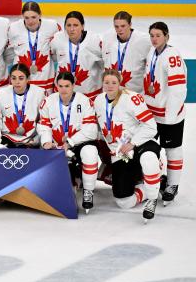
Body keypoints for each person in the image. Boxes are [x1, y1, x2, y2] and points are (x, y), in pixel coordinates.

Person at [94, 69, 161, 223]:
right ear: (102, 83)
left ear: (120, 84)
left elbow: (151, 127)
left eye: (114, 82)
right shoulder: (98, 101)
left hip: (141, 144)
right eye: (106, 82)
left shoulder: (132, 98)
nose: (110, 86)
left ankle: (152, 198)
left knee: (149, 158)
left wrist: (133, 143)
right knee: (123, 202)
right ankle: (152, 186)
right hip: (121, 153)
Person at [38, 72, 99, 212]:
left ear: (73, 85)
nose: (64, 89)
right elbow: (44, 125)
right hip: (56, 144)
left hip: (78, 143)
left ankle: (88, 192)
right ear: (56, 86)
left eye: (67, 86)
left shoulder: (84, 101)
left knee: (90, 152)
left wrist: (71, 142)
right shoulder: (47, 102)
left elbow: (91, 130)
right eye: (60, 86)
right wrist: (47, 141)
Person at [143, 22, 186, 205]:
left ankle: (173, 184)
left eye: (158, 35)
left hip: (170, 115)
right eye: (152, 35)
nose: (154, 39)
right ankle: (156, 177)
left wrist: (170, 116)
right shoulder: (151, 52)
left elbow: (178, 89)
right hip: (152, 113)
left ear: (167, 36)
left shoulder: (172, 56)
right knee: (150, 149)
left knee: (172, 148)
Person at [0, 64, 46, 148]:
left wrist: (36, 140)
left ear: (28, 79)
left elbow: (45, 120)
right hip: (7, 138)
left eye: (21, 78)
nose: (17, 82)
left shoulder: (40, 94)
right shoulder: (1, 94)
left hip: (30, 140)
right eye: (14, 78)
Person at [7, 1, 60, 93]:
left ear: (40, 15)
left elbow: (59, 48)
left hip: (45, 79)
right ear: (22, 16)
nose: (30, 21)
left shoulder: (52, 26)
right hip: (21, 81)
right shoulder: (13, 29)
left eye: (34, 17)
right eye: (26, 18)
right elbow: (7, 52)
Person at [51, 11, 103, 100]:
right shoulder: (57, 39)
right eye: (68, 25)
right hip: (62, 94)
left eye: (75, 25)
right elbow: (53, 57)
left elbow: (104, 64)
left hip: (89, 95)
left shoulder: (94, 41)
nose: (72, 29)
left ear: (82, 26)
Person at [101, 11, 151, 93]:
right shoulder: (108, 37)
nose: (119, 29)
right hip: (111, 91)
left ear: (130, 24)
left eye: (123, 26)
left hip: (134, 93)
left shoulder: (144, 40)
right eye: (116, 26)